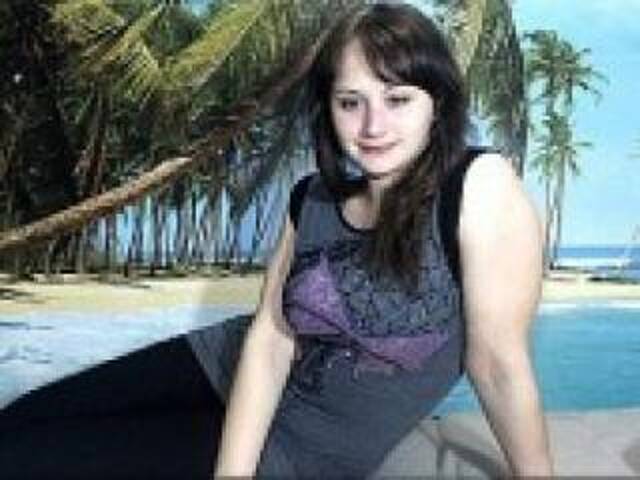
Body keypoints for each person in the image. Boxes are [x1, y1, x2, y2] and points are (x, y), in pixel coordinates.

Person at [0, 2, 553, 478]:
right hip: (222, 364)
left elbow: (496, 363)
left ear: (438, 104)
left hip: (300, 443)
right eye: (350, 102)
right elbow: (270, 338)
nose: (373, 125)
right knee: (18, 421)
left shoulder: (479, 185)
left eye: (398, 99)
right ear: (328, 109)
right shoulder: (312, 196)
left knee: (25, 458)